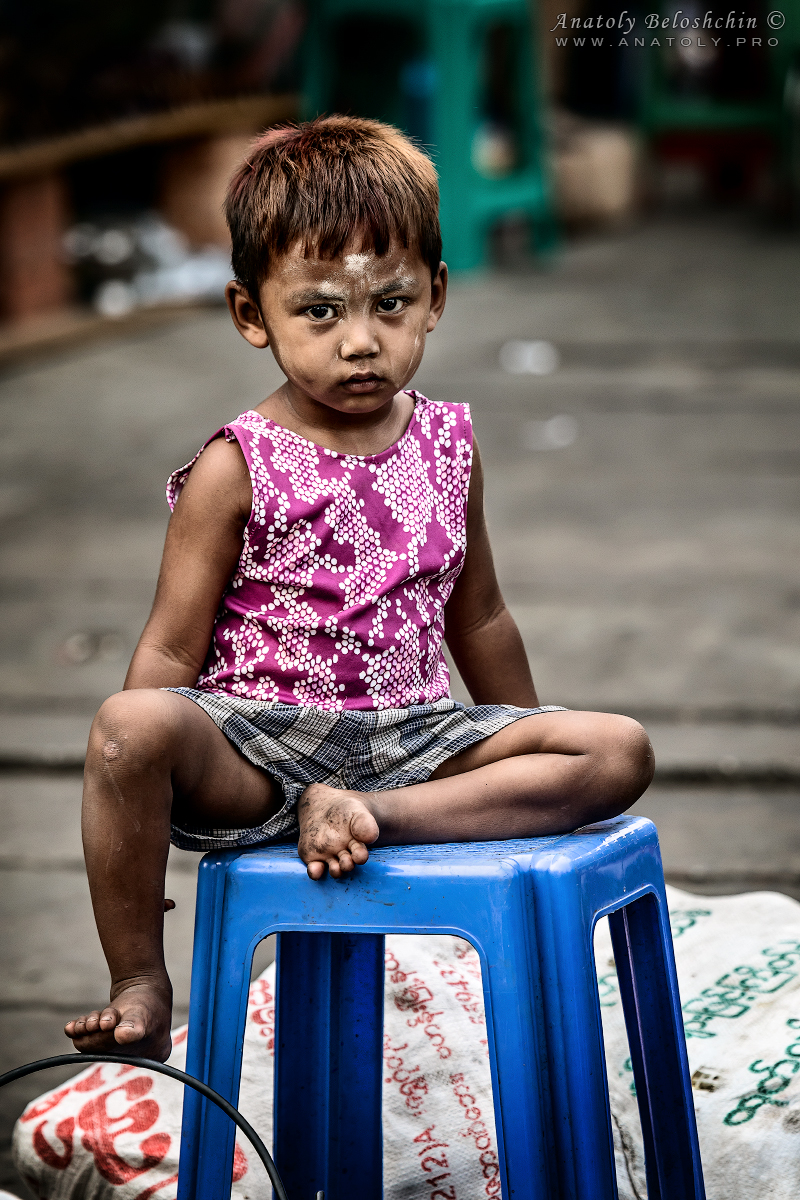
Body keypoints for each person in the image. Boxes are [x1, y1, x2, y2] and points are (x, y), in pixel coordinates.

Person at [65, 116, 654, 1061]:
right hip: (256, 745)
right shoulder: (238, 464)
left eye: (392, 303)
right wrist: (142, 808)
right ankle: (139, 980)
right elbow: (172, 653)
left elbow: (483, 615)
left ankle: (366, 815)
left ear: (436, 298)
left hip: (413, 742)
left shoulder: (449, 445)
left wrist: (518, 750)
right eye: (321, 312)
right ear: (252, 314)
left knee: (616, 751)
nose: (363, 343)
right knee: (127, 727)